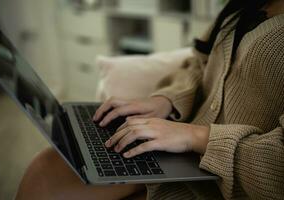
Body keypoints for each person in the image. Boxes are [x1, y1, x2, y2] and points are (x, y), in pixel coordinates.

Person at [15, 0, 284, 199]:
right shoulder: (244, 4)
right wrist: (167, 100)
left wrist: (196, 137)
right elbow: (199, 64)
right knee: (46, 168)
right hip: (178, 155)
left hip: (227, 184)